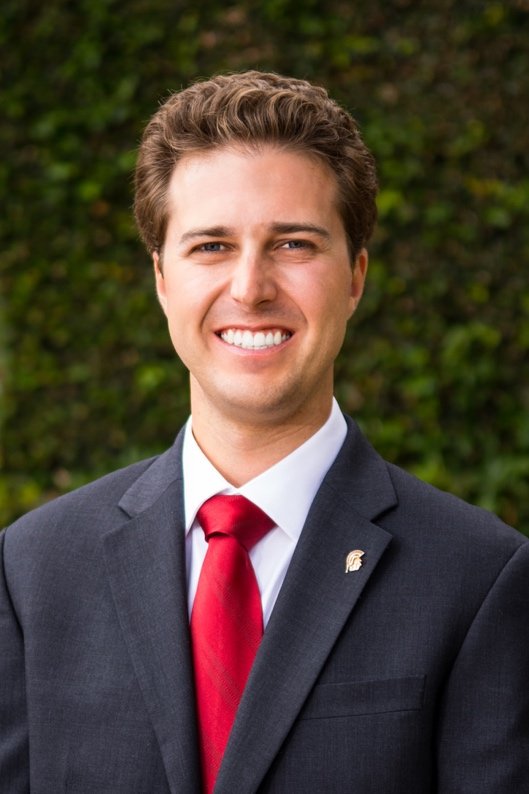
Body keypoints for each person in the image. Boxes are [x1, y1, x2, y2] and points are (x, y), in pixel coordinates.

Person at [1, 71, 528, 794]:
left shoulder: (480, 577)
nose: (250, 288)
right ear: (161, 279)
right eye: (211, 246)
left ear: (355, 277)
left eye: (293, 244)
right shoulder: (31, 570)